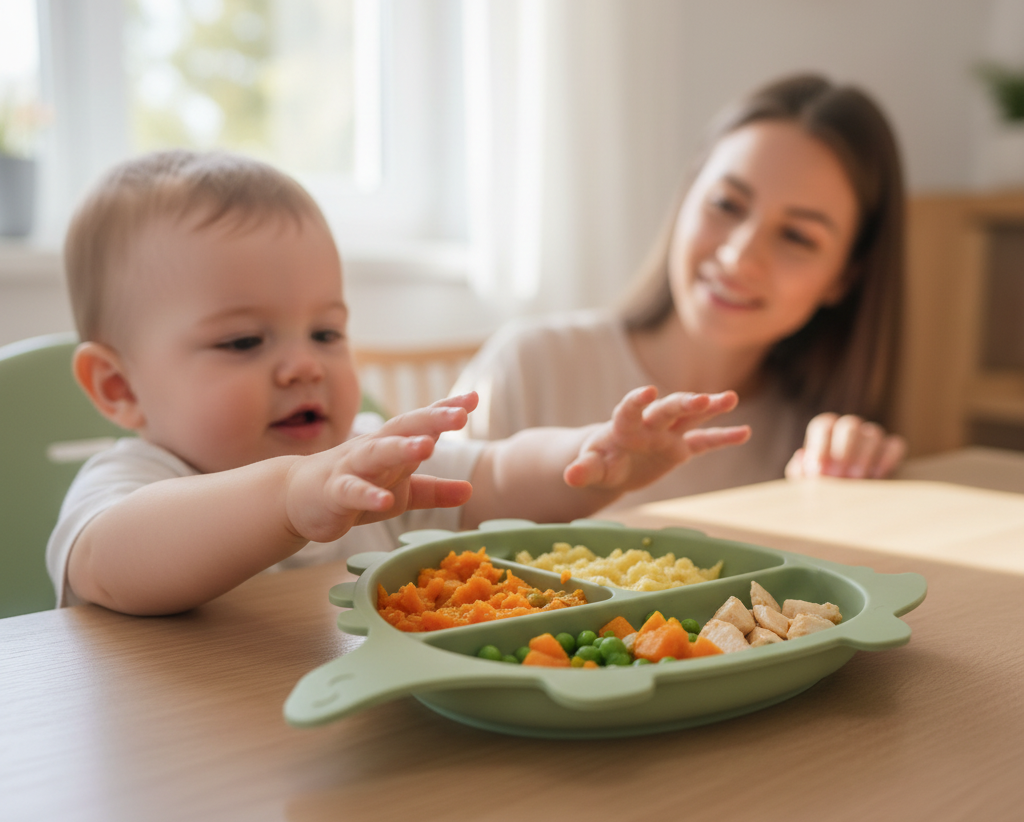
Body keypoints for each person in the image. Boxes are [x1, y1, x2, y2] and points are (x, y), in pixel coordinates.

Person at [46, 150, 751, 616]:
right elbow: (111, 564)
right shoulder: (131, 483)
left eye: (326, 332)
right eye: (243, 341)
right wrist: (290, 496)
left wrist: (595, 463)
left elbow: (496, 473)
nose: (305, 365)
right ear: (119, 388)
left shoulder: (362, 461)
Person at [453, 74, 908, 509]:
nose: (738, 257)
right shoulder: (531, 366)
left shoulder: (813, 447)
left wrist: (846, 505)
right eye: (726, 204)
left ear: (844, 278)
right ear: (686, 196)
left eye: (797, 236)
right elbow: (424, 540)